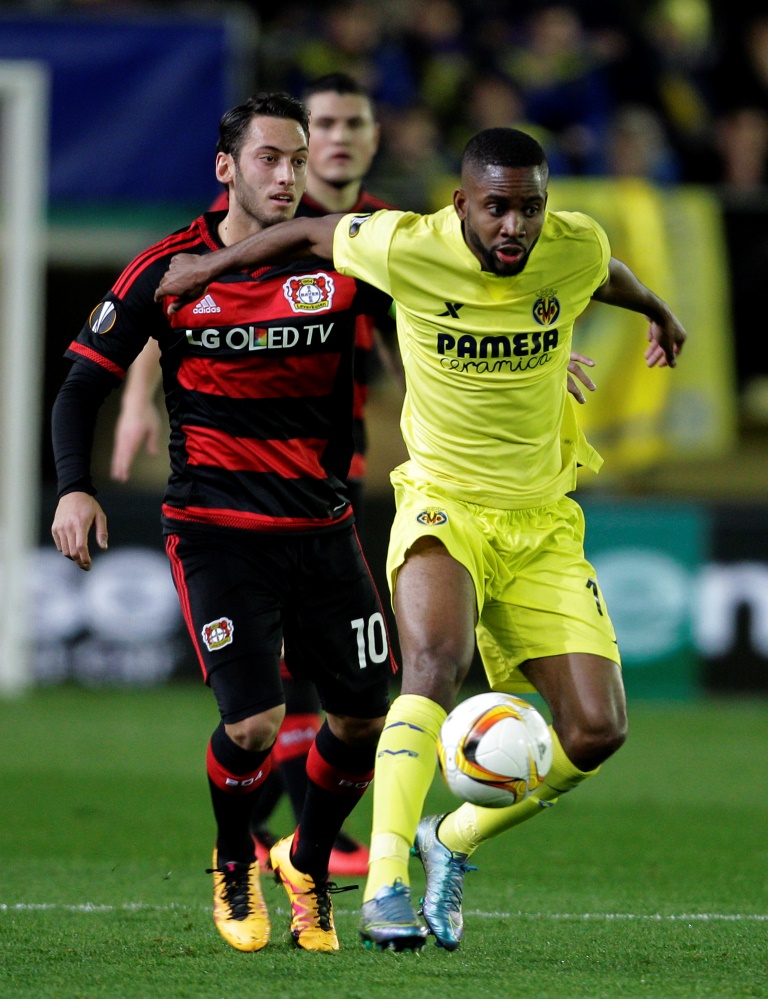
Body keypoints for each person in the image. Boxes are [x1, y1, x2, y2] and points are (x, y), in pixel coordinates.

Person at [154, 125, 687, 953]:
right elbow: (306, 232)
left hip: (544, 519)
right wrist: (209, 266)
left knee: (596, 730)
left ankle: (454, 841)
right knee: (432, 664)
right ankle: (386, 882)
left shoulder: (572, 247)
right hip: (442, 501)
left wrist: (657, 307)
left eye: (531, 209)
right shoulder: (405, 244)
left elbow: (600, 272)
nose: (515, 226)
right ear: (461, 203)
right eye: (498, 208)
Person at [51, 92, 399, 955]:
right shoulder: (164, 266)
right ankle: (234, 854)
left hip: (322, 526)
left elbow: (426, 320)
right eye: (271, 158)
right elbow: (80, 385)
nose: (288, 174)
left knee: (364, 717)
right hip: (217, 527)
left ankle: (307, 860)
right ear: (227, 167)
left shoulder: (342, 252)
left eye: (297, 158)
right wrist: (72, 487)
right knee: (251, 724)